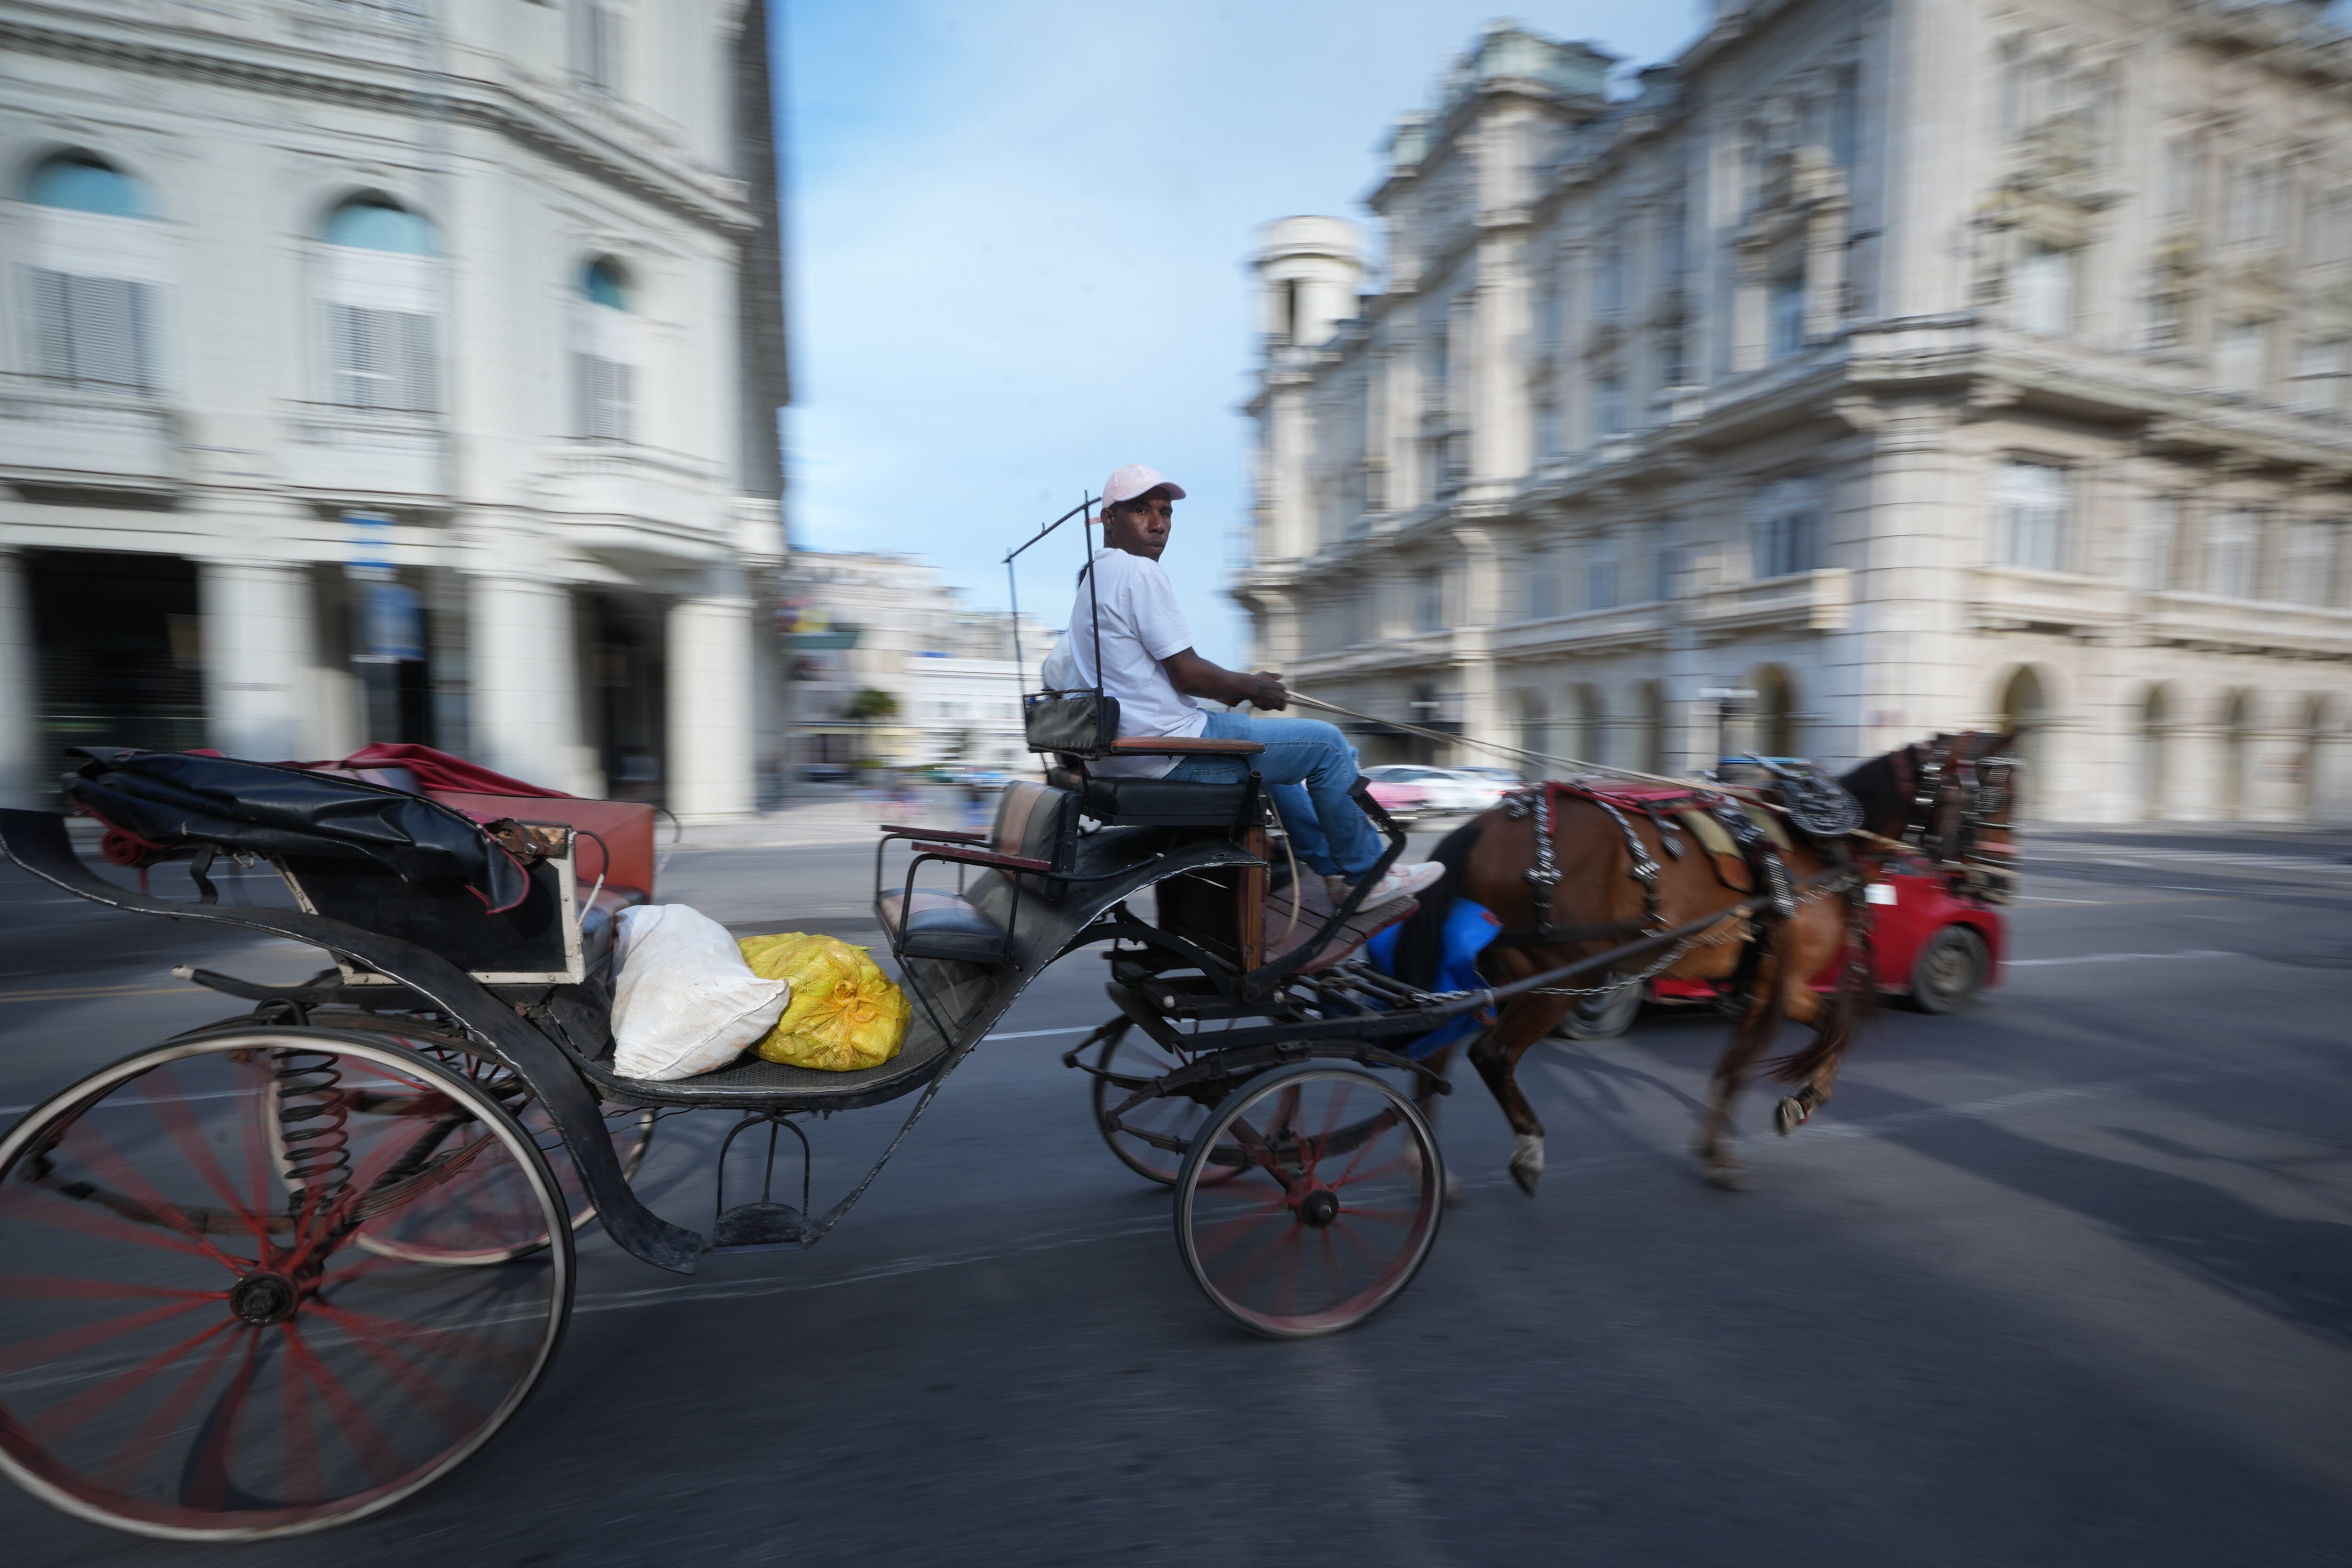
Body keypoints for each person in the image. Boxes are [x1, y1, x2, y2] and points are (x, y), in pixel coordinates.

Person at [1059, 463, 1442, 911]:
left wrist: (1233, 690)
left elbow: (1154, 675)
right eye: (1142, 511)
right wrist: (1254, 686)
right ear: (1109, 519)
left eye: (1165, 512)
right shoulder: (1138, 573)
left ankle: (1331, 870)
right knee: (1329, 746)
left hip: (1134, 754)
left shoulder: (1094, 579)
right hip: (1169, 752)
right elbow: (1186, 672)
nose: (1159, 524)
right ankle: (1366, 875)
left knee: (1278, 764)